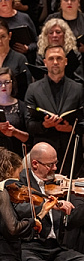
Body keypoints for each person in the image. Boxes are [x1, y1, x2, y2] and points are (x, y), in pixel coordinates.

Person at [25, 45, 84, 176]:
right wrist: (44, 125)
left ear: (66, 61)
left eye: (59, 58)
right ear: (45, 62)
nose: (55, 62)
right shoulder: (33, 89)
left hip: (70, 152)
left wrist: (71, 129)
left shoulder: (78, 88)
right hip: (43, 155)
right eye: (51, 58)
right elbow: (28, 124)